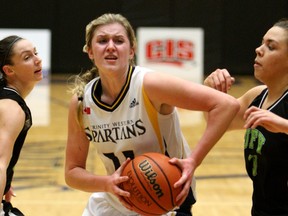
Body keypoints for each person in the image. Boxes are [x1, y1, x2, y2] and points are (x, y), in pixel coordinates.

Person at [64, 13, 239, 216]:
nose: (110, 46)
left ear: (131, 51)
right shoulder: (81, 101)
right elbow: (72, 172)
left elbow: (226, 105)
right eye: (102, 41)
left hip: (165, 201)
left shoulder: (150, 85)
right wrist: (107, 183)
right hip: (112, 203)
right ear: (90, 52)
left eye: (119, 41)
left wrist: (193, 161)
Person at [204, 18, 288, 216]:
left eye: (271, 46)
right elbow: (216, 124)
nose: (259, 50)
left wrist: (283, 125)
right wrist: (210, 93)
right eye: (262, 43)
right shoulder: (257, 96)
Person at [0, 35, 43, 215]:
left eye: (35, 53)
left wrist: (5, 182)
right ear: (9, 70)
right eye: (27, 57)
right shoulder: (12, 109)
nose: (37, 59)